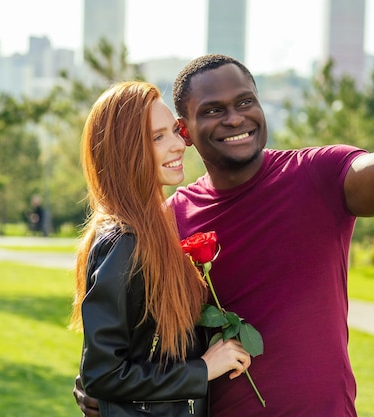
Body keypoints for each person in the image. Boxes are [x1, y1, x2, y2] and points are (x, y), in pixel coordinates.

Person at [74, 32, 374, 416]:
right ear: (186, 130)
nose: (235, 118)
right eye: (213, 110)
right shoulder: (169, 220)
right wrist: (106, 395)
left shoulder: (319, 174)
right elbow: (138, 349)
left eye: (244, 102)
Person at [71, 81, 251, 417]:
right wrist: (203, 369)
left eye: (175, 131)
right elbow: (102, 373)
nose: (179, 145)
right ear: (127, 151)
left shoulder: (154, 228)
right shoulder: (123, 241)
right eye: (157, 137)